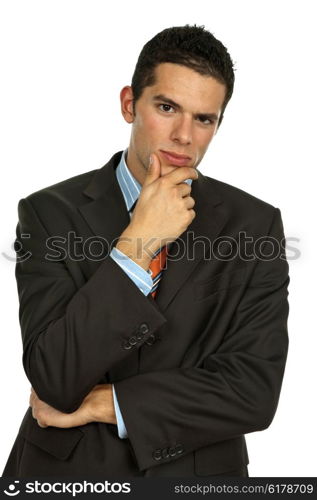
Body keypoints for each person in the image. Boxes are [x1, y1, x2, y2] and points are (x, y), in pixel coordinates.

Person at [2, 25, 289, 478]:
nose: (183, 135)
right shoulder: (47, 214)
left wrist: (107, 403)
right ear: (129, 104)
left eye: (204, 118)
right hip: (68, 473)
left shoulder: (255, 226)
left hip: (198, 476)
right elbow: (53, 378)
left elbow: (253, 392)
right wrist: (138, 245)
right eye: (167, 107)